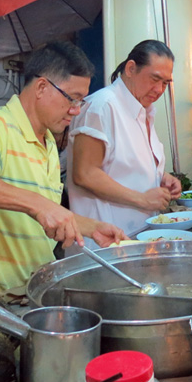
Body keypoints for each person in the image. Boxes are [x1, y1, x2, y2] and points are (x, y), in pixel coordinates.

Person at [0, 41, 126, 311]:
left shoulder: (49, 142)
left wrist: (92, 227)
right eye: (72, 98)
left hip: (28, 295)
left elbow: (44, 212)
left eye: (80, 101)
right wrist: (38, 204)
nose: (75, 110)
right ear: (41, 87)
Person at [66, 40, 182, 247]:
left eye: (165, 83)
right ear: (130, 68)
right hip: (104, 245)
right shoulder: (101, 106)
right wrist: (142, 199)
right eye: (155, 79)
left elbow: (121, 164)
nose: (159, 89)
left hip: (137, 237)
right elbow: (85, 174)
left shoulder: (144, 109)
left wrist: (159, 176)